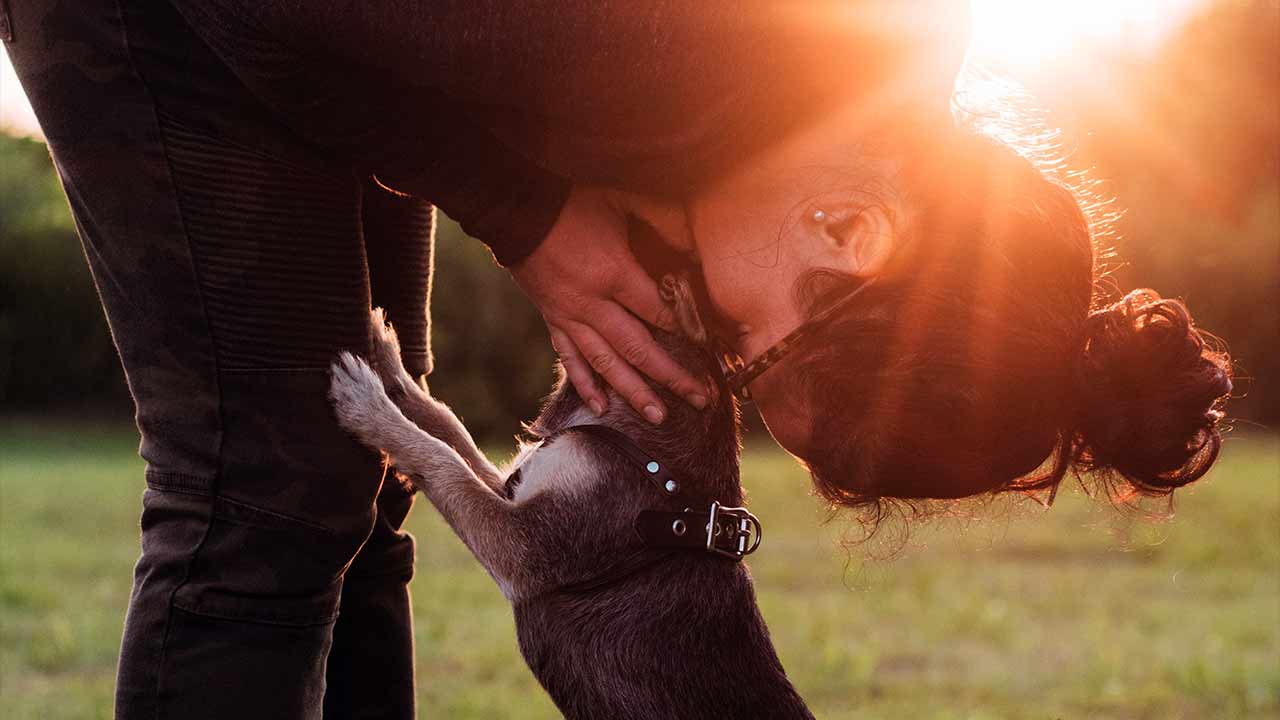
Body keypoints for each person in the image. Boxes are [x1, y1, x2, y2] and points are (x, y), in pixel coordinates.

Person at [3, 1, 1230, 718]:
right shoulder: (674, 43)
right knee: (264, 499)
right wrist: (520, 209)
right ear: (850, 231)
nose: (712, 364)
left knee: (358, 493)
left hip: (347, 51)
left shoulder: (850, 87)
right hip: (178, 20)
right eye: (749, 355)